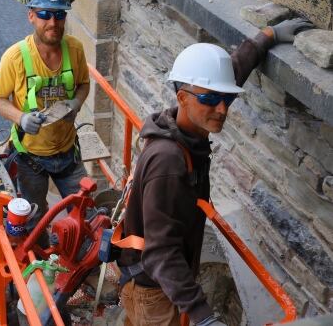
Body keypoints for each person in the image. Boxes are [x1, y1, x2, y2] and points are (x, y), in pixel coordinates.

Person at [117, 17, 313, 326]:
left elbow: (225, 75)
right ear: (182, 97)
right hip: (154, 293)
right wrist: (203, 316)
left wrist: (268, 36)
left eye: (228, 98)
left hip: (160, 283)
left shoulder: (189, 119)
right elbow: (160, 252)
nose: (222, 109)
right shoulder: (169, 161)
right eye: (210, 99)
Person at [0, 0, 90, 236]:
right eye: (45, 14)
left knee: (85, 213)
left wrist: (76, 103)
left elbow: (83, 84)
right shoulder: (15, 57)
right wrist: (22, 118)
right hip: (30, 158)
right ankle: (45, 262)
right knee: (35, 220)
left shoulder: (75, 49)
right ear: (31, 16)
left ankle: (83, 263)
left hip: (68, 152)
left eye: (59, 15)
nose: (53, 23)